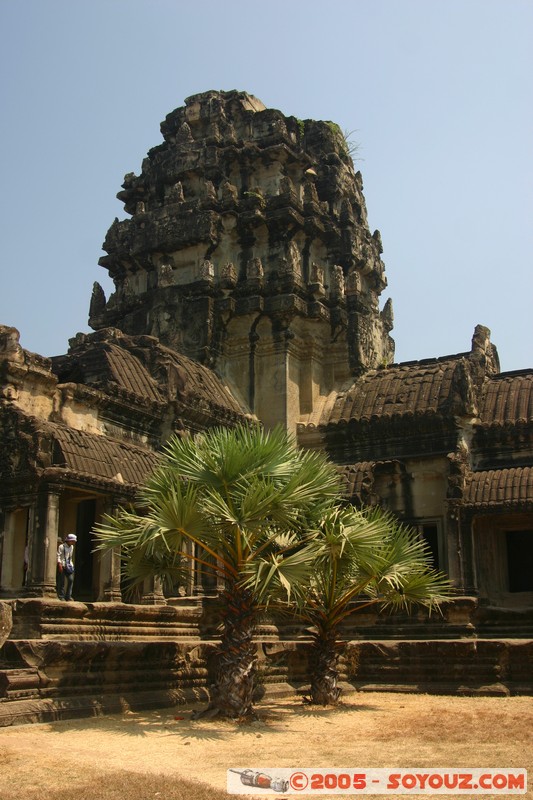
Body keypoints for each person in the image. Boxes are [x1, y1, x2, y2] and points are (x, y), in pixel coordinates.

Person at [56, 533, 77, 601]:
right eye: (73, 541)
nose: (74, 542)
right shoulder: (61, 546)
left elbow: (70, 557)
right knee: (61, 581)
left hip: (68, 566)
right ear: (69, 540)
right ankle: (61, 596)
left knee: (71, 580)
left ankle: (68, 596)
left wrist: (71, 565)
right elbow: (58, 556)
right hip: (62, 565)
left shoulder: (72, 547)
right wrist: (59, 564)